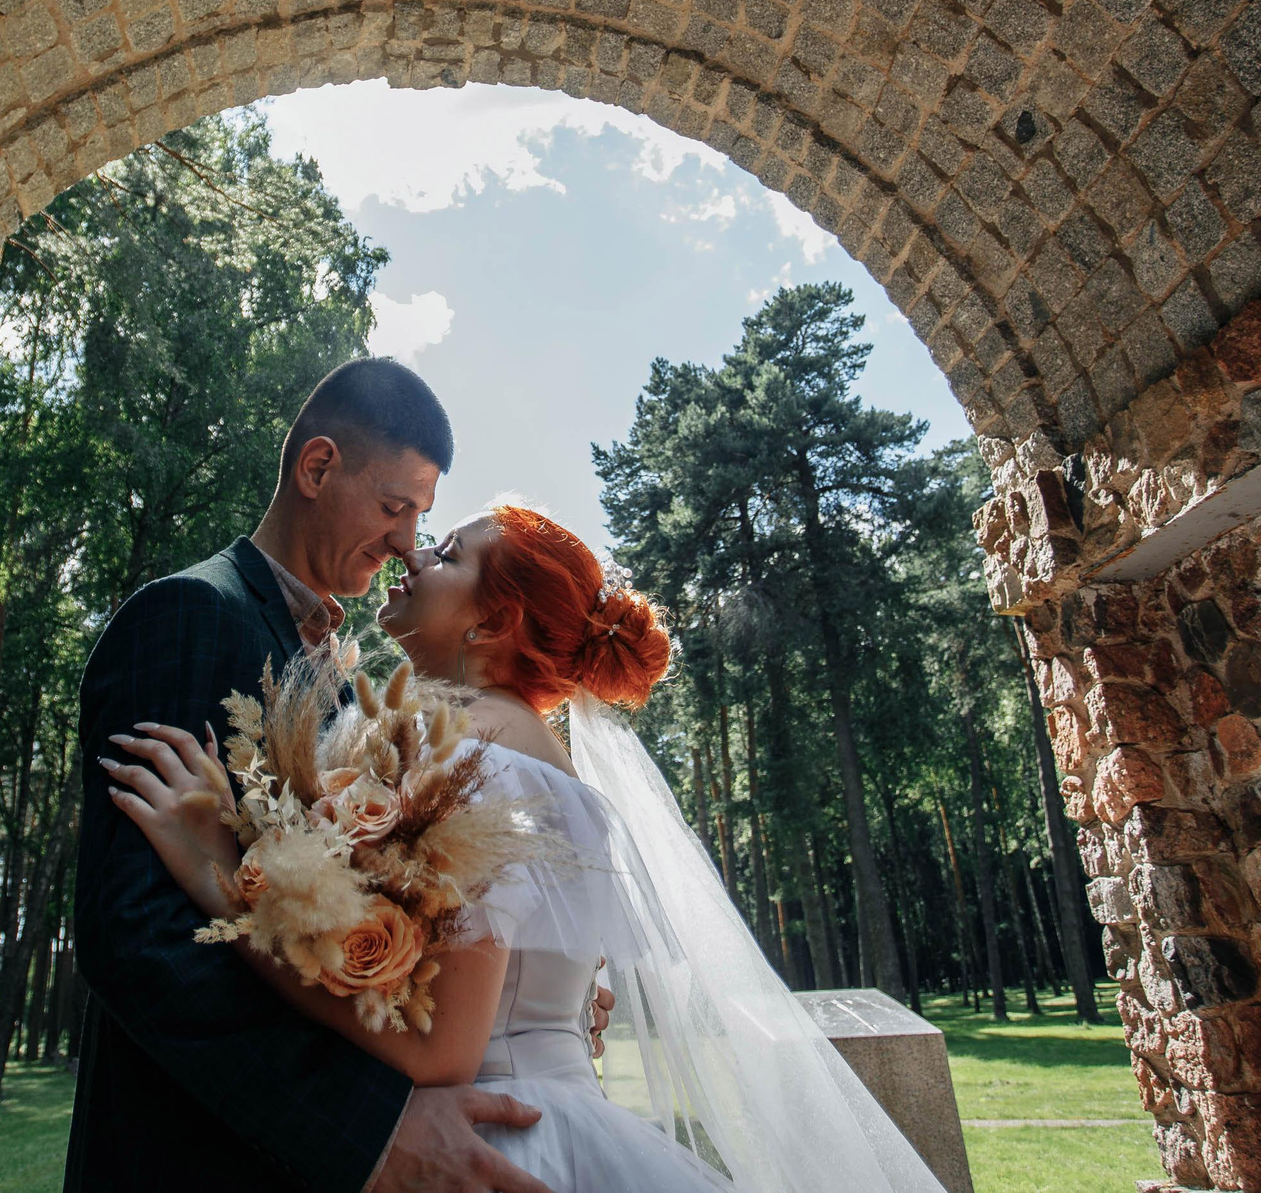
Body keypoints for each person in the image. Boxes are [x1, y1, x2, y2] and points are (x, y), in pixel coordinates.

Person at [103, 500, 950, 1193]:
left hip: (495, 1146)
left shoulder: (463, 752)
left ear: (491, 621)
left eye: (446, 551)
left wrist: (222, 877)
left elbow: (444, 1050)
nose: (415, 557)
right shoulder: (531, 755)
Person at [66, 358, 574, 1193]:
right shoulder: (190, 615)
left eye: (423, 518)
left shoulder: (348, 688)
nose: (408, 540)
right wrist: (371, 1128)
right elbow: (135, 937)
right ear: (317, 467)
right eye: (394, 506)